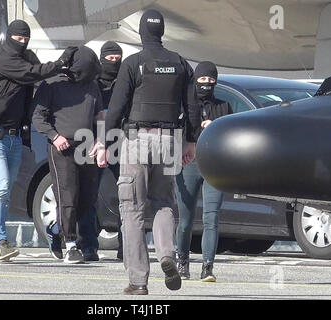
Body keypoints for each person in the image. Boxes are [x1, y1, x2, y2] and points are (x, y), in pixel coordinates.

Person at [91, 9, 196, 295]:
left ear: (141, 33)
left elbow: (117, 108)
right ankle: (167, 256)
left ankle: (138, 281)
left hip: (137, 140)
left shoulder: (133, 63)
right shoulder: (180, 64)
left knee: (132, 210)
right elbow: (193, 106)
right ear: (161, 32)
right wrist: (190, 142)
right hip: (170, 140)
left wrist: (104, 142)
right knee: (163, 202)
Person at [0, 20, 78, 262]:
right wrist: (58, 64)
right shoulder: (2, 58)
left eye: (25, 39)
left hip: (14, 136)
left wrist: (65, 72)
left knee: (3, 191)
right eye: (18, 38)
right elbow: (31, 73)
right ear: (9, 37)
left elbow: (40, 76)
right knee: (1, 186)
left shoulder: (27, 57)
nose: (22, 42)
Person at [32, 45, 103, 264]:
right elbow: (38, 116)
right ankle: (70, 244)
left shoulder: (92, 86)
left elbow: (100, 115)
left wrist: (101, 141)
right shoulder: (52, 84)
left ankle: (72, 237)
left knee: (87, 198)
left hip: (87, 145)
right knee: (68, 196)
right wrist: (55, 136)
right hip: (61, 147)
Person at [175, 61, 233, 281]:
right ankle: (182, 259)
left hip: (214, 168)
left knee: (212, 217)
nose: (206, 84)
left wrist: (216, 125)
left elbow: (230, 135)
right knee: (185, 220)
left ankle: (208, 265)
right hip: (188, 164)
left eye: (211, 80)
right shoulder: (185, 107)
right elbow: (178, 131)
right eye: (202, 80)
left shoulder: (224, 107)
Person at [77, 41, 124, 262]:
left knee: (127, 196)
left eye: (117, 58)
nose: (113, 63)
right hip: (91, 141)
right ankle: (88, 245)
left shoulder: (125, 82)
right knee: (88, 195)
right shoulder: (92, 83)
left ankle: (126, 246)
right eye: (109, 58)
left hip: (120, 141)